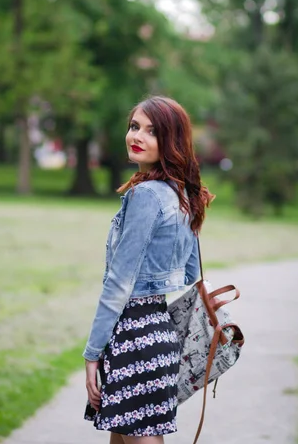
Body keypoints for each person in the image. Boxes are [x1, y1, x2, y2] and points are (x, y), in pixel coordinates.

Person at [83, 96, 215, 443]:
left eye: (152, 131)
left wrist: (92, 354)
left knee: (139, 436)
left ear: (170, 140)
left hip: (133, 340)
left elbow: (118, 283)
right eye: (134, 126)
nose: (136, 136)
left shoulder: (147, 196)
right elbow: (187, 273)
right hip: (159, 333)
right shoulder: (184, 195)